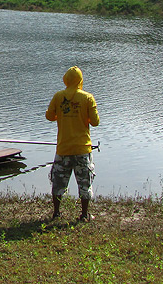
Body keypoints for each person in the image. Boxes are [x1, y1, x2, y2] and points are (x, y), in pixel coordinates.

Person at [45, 65, 100, 222]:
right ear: (80, 80)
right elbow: (95, 122)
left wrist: (61, 116)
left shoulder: (58, 96)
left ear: (66, 80)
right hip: (83, 148)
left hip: (63, 149)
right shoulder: (88, 98)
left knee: (58, 182)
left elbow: (49, 116)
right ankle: (84, 215)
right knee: (84, 183)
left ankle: (56, 213)